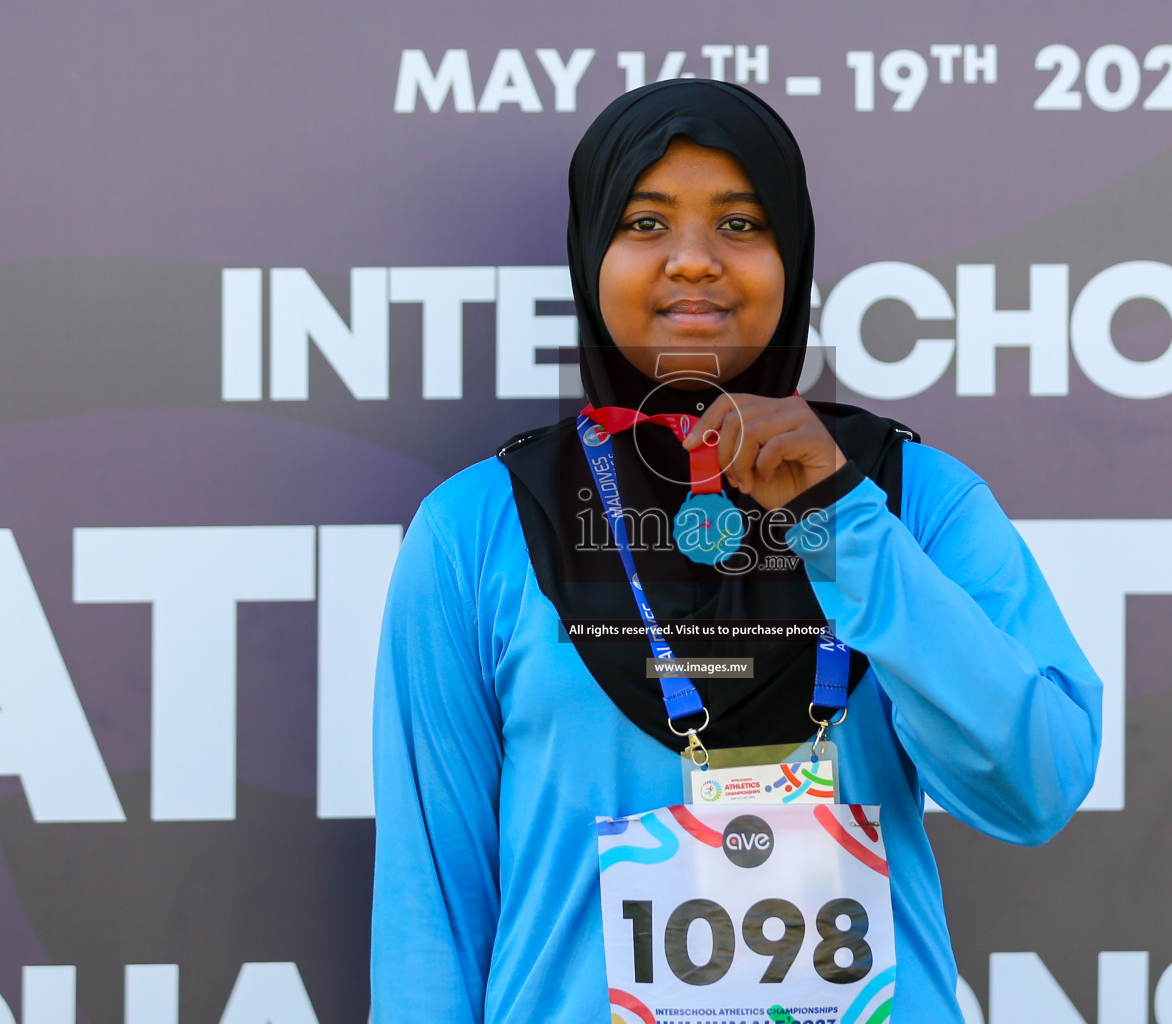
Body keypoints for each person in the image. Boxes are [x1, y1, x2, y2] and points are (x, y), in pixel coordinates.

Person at [370, 79, 1103, 1024]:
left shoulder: (913, 498)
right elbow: (432, 908)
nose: (693, 262)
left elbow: (1036, 784)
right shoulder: (479, 528)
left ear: (791, 255)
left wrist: (843, 522)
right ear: (591, 252)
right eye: (644, 222)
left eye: (741, 223)